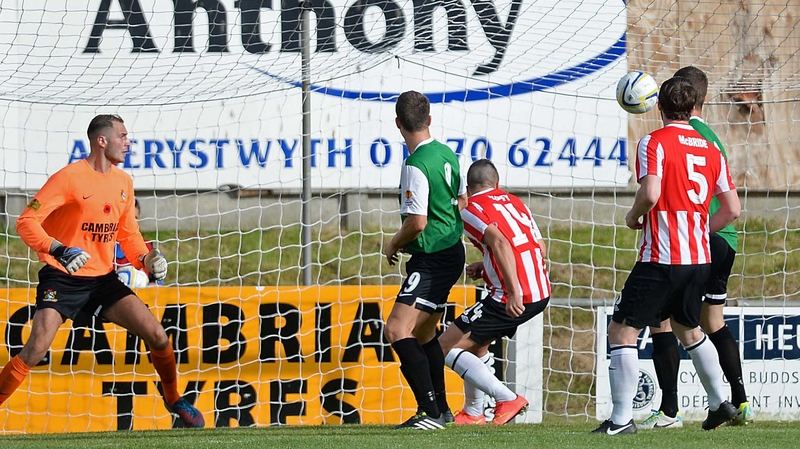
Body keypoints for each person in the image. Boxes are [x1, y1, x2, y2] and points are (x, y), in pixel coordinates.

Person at [0, 114, 205, 428]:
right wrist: (58, 249)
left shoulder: (123, 182)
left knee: (158, 336)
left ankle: (174, 398)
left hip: (102, 280)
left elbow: (129, 235)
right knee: (35, 348)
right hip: (62, 276)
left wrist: (148, 260)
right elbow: (26, 221)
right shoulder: (69, 178)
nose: (128, 142)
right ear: (101, 140)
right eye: (122, 135)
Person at [593, 77, 741, 435]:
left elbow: (652, 190)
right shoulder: (711, 149)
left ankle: (620, 420)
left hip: (662, 256)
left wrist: (633, 215)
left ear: (658, 106)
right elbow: (732, 209)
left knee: (622, 330)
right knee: (688, 328)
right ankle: (719, 402)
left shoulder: (653, 142)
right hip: (699, 256)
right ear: (692, 108)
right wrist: (699, 231)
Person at [639, 66, 752, 430]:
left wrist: (691, 227)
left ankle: (670, 410)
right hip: (723, 238)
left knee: (662, 321)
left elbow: (656, 191)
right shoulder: (709, 138)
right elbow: (733, 205)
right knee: (706, 321)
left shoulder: (677, 137)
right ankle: (738, 400)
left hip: (694, 238)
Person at [438, 159, 550, 425]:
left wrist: (513, 292)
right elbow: (539, 249)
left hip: (511, 295)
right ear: (496, 184)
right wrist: (486, 266)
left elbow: (499, 241)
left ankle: (506, 398)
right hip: (540, 289)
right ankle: (474, 412)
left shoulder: (470, 209)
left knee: (441, 348)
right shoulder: (515, 202)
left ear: (468, 187)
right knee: (478, 345)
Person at [383, 91, 467, 430]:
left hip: (432, 259)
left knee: (396, 329)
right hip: (451, 252)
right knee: (424, 332)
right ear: (429, 120)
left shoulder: (415, 164)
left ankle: (428, 412)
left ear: (398, 124)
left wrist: (393, 244)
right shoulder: (446, 152)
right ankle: (443, 410)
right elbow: (461, 200)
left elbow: (416, 222)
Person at [115, 198, 162, 288]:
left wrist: (149, 286)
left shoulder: (149, 248)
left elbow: (159, 285)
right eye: (128, 217)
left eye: (135, 218)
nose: (131, 221)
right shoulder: (105, 246)